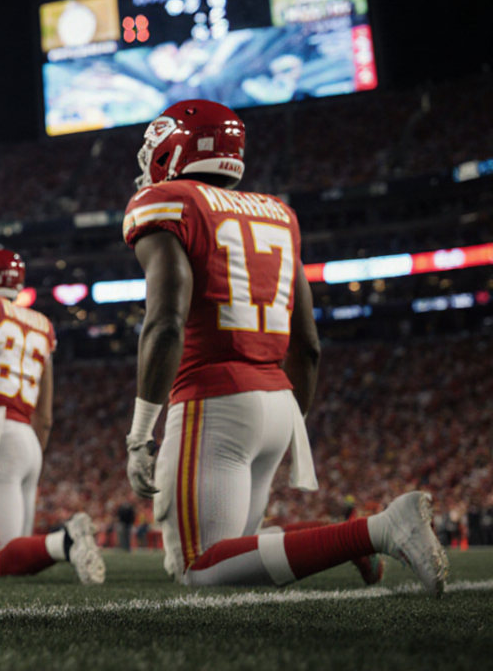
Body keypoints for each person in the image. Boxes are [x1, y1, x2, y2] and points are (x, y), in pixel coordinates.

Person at [122, 100, 447, 592]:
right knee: (238, 553)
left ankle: (380, 528)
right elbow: (309, 343)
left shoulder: (169, 202)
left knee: (199, 568)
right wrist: (291, 416)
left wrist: (141, 432)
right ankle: (352, 540)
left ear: (173, 151)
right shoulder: (279, 215)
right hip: (277, 401)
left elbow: (166, 322)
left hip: (213, 399)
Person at [0, 246, 104, 584]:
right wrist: (33, 450)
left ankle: (64, 541)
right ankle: (61, 543)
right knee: (14, 561)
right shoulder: (43, 324)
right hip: (28, 437)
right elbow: (45, 414)